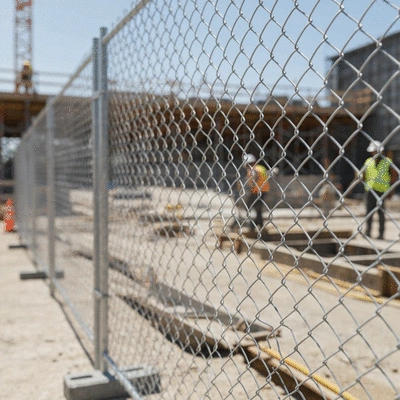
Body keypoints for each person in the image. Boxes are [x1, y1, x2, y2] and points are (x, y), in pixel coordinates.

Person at [362, 140, 397, 240]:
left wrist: (391, 189)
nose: (374, 153)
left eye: (375, 151)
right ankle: (368, 231)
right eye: (373, 151)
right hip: (370, 190)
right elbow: (364, 175)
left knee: (381, 213)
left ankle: (381, 234)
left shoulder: (387, 162)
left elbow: (393, 176)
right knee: (369, 212)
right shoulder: (368, 161)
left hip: (381, 191)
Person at [240, 153, 271, 230]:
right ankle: (259, 223)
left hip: (256, 191)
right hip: (264, 191)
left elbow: (252, 180)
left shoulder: (252, 170)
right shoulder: (261, 168)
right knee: (258, 207)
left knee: (249, 206)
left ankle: (253, 224)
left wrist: (249, 188)